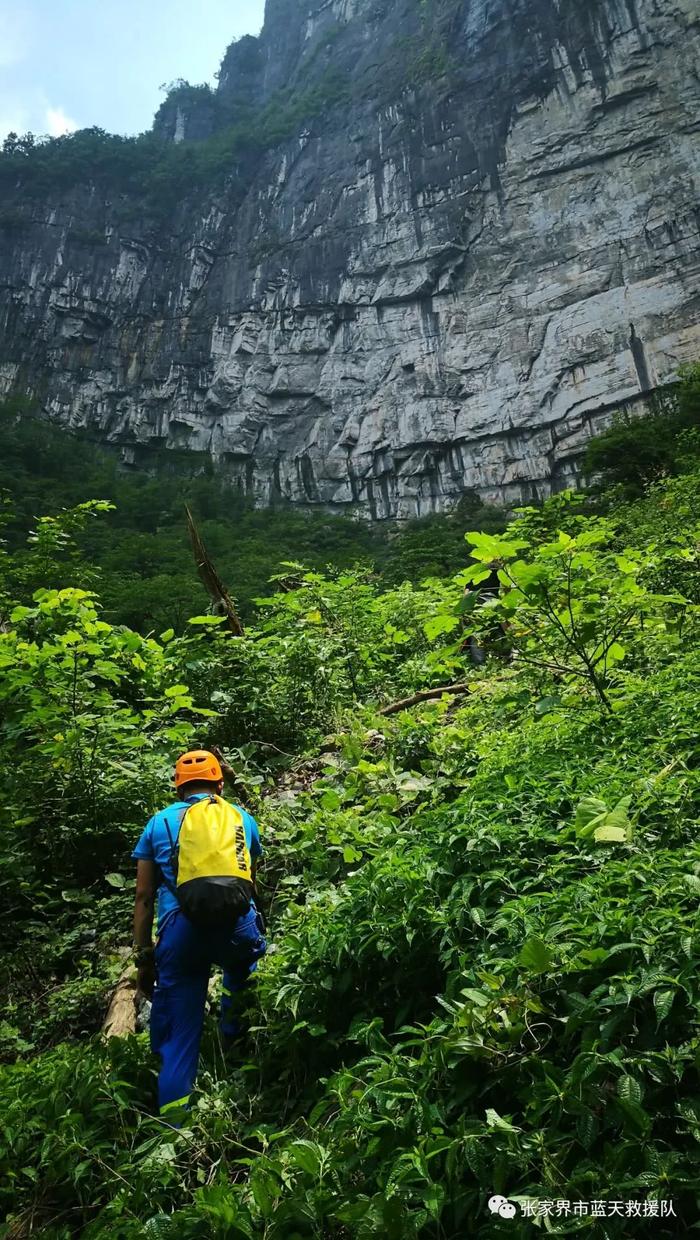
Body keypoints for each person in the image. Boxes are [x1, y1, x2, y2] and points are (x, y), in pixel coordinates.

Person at [132, 748, 266, 1119]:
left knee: (178, 1037)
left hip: (181, 934)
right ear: (219, 783)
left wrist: (144, 960)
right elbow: (247, 881)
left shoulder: (158, 824)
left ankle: (176, 1126)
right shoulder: (241, 818)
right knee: (240, 969)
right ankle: (235, 1042)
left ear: (179, 787)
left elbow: (143, 898)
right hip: (236, 928)